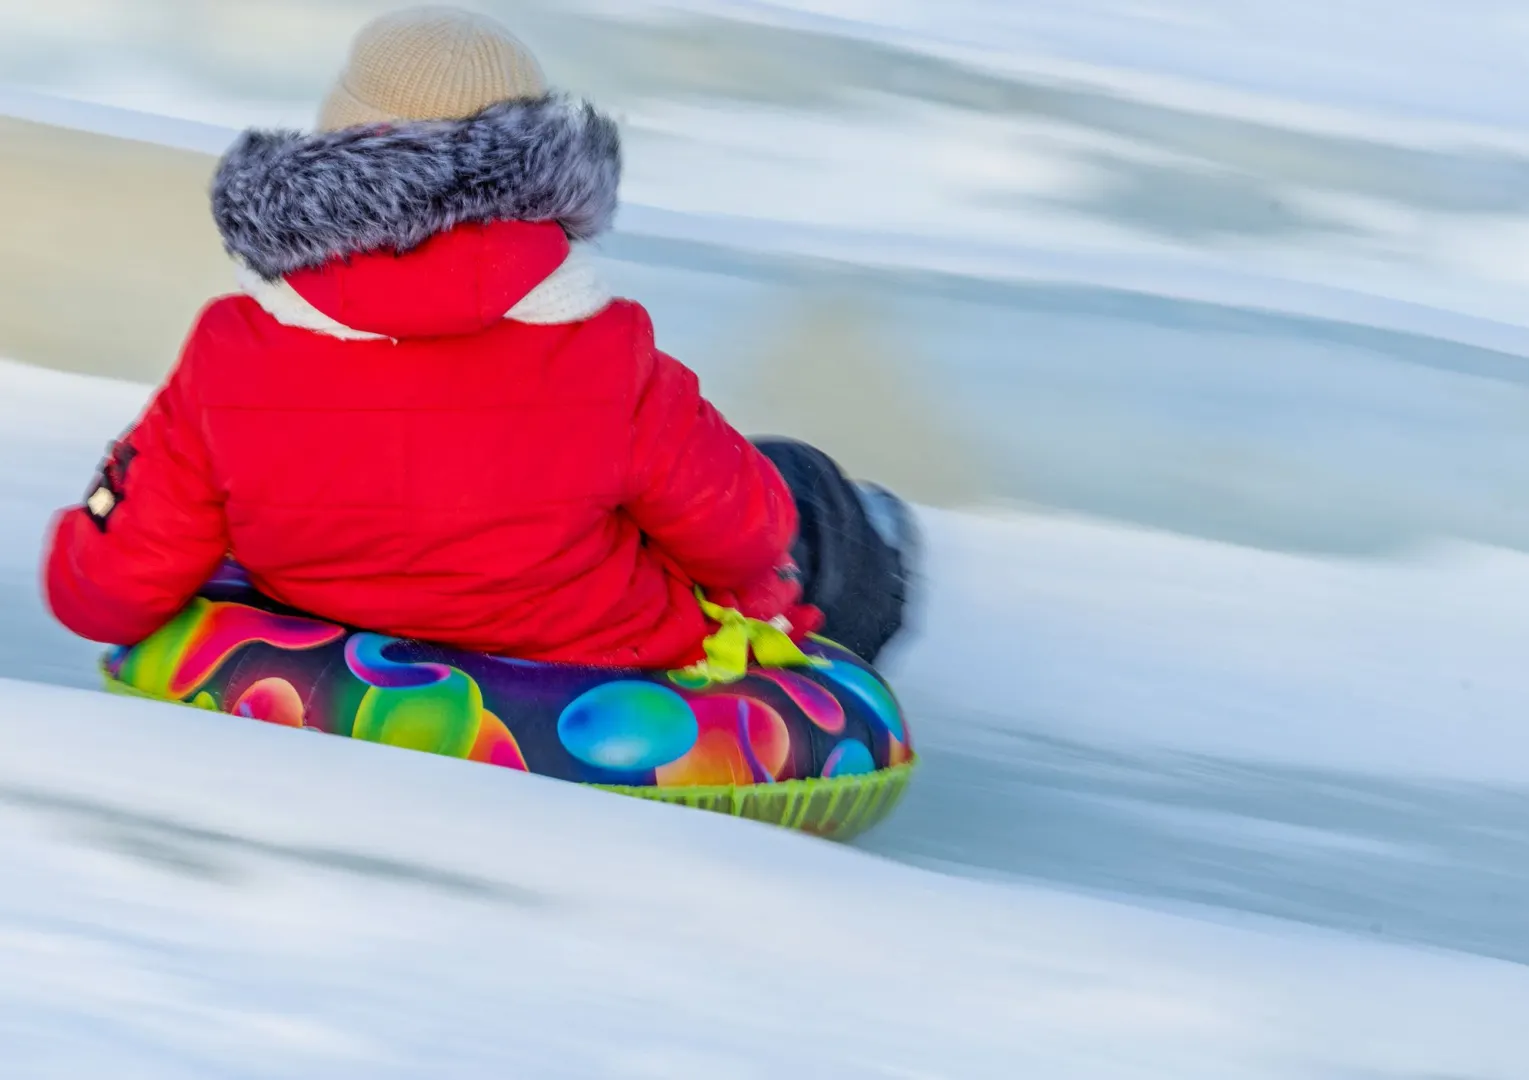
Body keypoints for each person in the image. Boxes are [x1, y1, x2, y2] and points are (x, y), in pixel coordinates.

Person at [41, 6, 913, 670]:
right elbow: (745, 538)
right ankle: (876, 553)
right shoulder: (606, 352)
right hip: (596, 657)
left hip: (332, 614)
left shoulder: (231, 349)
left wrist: (84, 540)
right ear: (540, 170)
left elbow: (107, 593)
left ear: (326, 156)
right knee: (789, 482)